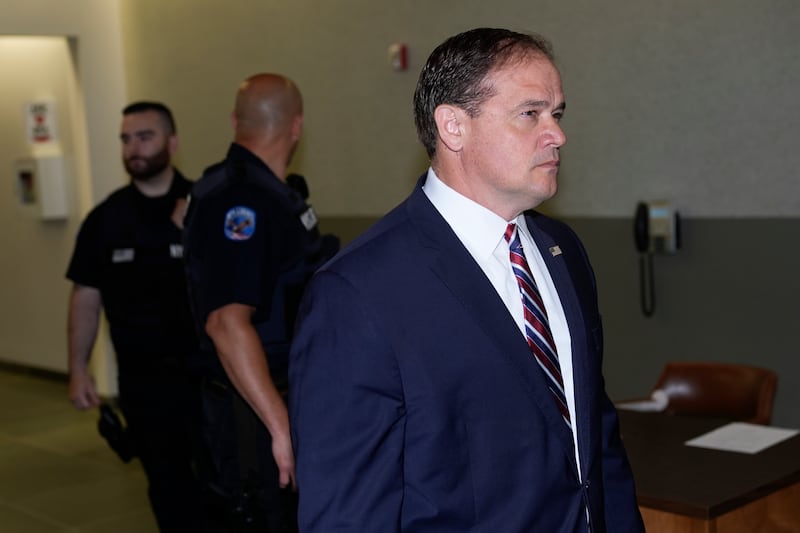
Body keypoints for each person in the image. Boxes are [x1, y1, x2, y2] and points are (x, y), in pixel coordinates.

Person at [289, 27, 645, 532]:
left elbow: (595, 435)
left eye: (557, 113)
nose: (558, 134)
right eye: (531, 113)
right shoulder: (358, 293)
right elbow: (348, 514)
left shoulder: (560, 252)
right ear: (453, 127)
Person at [183, 73, 338, 532]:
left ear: (235, 121)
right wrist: (280, 426)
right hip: (251, 417)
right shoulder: (243, 203)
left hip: (271, 401)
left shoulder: (266, 193)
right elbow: (227, 324)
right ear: (297, 127)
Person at [66, 101, 208, 532]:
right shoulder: (105, 220)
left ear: (172, 142)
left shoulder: (203, 205)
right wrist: (77, 369)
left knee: (217, 488)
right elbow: (85, 298)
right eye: (126, 140)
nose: (134, 148)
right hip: (143, 383)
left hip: (207, 380)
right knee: (167, 489)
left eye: (144, 136)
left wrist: (195, 238)